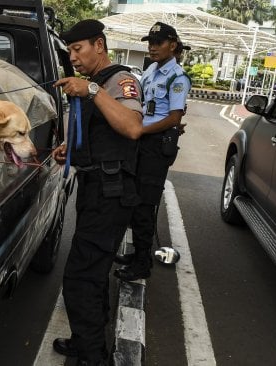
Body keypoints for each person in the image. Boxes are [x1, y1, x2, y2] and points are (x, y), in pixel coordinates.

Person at [50, 19, 143, 366]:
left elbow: (132, 128)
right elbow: (97, 131)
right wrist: (69, 149)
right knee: (93, 271)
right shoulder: (97, 83)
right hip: (95, 187)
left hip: (111, 192)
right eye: (70, 51)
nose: (73, 57)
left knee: (80, 277)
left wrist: (91, 92)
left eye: (78, 49)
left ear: (99, 45)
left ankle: (93, 357)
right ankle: (85, 340)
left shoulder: (121, 81)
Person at [114, 22, 191, 281]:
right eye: (150, 42)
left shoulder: (176, 77)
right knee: (133, 201)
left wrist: (141, 131)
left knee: (145, 205)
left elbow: (174, 117)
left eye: (158, 43)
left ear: (173, 44)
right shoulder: (150, 72)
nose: (152, 47)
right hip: (140, 141)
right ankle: (137, 255)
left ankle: (142, 264)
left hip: (155, 146)